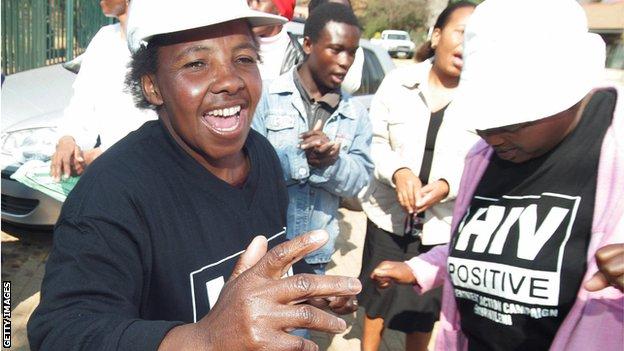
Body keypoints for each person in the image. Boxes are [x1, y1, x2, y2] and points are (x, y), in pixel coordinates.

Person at [27, 1, 361, 350]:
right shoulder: (113, 192)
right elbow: (59, 332)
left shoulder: (261, 154)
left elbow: (268, 255)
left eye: (244, 59)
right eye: (196, 63)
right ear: (153, 87)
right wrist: (206, 339)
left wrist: (304, 290)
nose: (231, 80)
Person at [371, 0, 624, 350]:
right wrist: (423, 268)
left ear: (568, 96)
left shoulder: (614, 149)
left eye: (512, 124)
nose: (491, 136)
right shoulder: (485, 155)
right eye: (483, 123)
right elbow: (489, 245)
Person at [357, 2, 477, 350]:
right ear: (437, 35)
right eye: (460, 33)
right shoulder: (398, 82)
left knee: (423, 309)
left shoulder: (483, 98)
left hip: (441, 224)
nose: (466, 46)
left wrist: (446, 186)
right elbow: (372, 141)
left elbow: (484, 160)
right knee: (377, 296)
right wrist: (399, 170)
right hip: (389, 217)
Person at [253, 2, 374, 275]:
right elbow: (248, 168)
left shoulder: (355, 114)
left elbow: (360, 182)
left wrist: (331, 163)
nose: (345, 62)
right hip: (264, 252)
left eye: (352, 53)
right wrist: (302, 159)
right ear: (308, 44)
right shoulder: (266, 97)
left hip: (315, 258)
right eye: (336, 49)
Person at [50, 0, 156, 182]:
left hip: (147, 175)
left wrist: (98, 156)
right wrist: (68, 140)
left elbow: (156, 126)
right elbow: (82, 103)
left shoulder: (155, 43)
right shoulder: (104, 39)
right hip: (109, 172)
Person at [307, 0, 364, 94]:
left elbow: (349, 87)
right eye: (336, 50)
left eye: (345, 14)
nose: (344, 62)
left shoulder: (353, 108)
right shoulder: (292, 50)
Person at [247, 0, 304, 81]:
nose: (252, 7)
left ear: (280, 10)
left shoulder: (301, 58)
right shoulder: (234, 47)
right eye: (249, 2)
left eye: (259, 1)